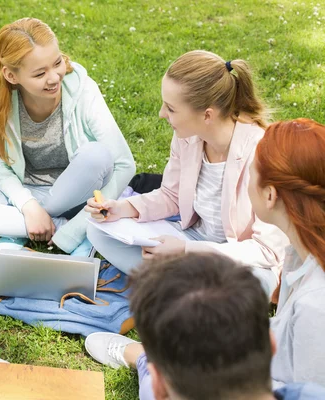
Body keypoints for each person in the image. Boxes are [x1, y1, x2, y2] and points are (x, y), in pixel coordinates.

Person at [85, 50, 287, 296]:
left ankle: (180, 287)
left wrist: (185, 251)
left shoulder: (263, 154)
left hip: (239, 259)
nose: (161, 114)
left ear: (207, 115)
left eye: (170, 108)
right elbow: (171, 195)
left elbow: (266, 251)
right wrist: (123, 208)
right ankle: (191, 291)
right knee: (97, 230)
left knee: (255, 285)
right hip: (191, 238)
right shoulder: (188, 136)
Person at [0, 18, 136, 255]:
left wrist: (72, 233)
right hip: (30, 191)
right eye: (39, 74)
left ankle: (37, 228)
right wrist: (28, 206)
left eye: (57, 62)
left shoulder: (83, 89)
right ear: (12, 76)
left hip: (81, 193)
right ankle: (52, 223)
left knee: (97, 154)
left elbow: (124, 164)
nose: (55, 77)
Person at [85, 253, 325, 400]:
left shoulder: (156, 390)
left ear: (159, 386)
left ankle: (142, 357)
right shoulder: (312, 394)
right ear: (272, 345)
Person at [248, 118, 325, 387]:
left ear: (270, 195)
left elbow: (308, 392)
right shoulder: (302, 251)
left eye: (250, 173)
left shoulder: (316, 306)